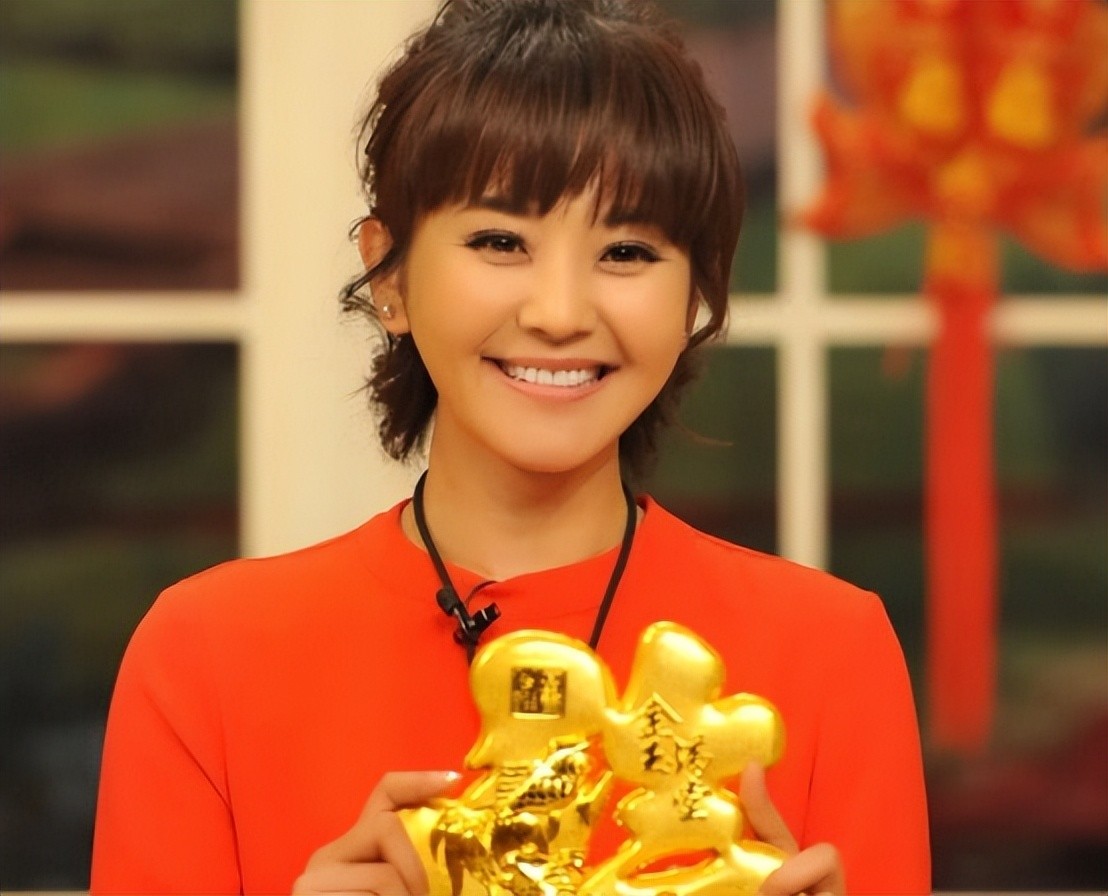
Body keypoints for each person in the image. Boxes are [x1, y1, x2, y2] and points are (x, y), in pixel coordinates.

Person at [90, 1, 930, 893]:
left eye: (627, 251)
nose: (560, 313)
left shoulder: (832, 654)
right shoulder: (205, 658)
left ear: (697, 295)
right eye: (500, 242)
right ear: (389, 274)